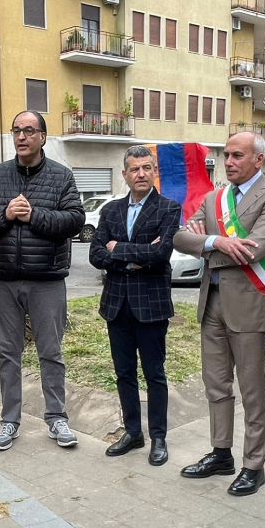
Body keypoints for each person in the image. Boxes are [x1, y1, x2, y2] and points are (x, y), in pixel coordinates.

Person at [173, 132, 265, 496]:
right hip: (213, 303)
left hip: (251, 304)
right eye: (226, 155)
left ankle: (254, 465)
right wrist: (216, 241)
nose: (229, 162)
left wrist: (205, 243)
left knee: (252, 390)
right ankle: (221, 452)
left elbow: (254, 250)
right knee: (216, 385)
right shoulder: (213, 198)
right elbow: (178, 238)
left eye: (237, 155)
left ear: (259, 159)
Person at [0, 111, 86, 451]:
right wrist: (4, 214)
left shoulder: (61, 177)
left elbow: (75, 220)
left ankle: (56, 417)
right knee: (8, 353)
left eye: (29, 130)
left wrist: (34, 215)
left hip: (47, 280)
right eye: (17, 130)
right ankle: (9, 421)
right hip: (5, 280)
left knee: (51, 351)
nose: (21, 136)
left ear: (42, 137)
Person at [89, 146, 181, 466]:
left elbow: (161, 255)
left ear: (154, 171)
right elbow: (95, 255)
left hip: (151, 306)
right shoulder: (110, 210)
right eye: (135, 169)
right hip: (117, 305)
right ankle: (132, 432)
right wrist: (135, 256)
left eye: (147, 168)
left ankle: (158, 437)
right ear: (125, 174)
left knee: (154, 374)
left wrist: (119, 250)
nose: (141, 174)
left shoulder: (168, 208)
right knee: (124, 373)